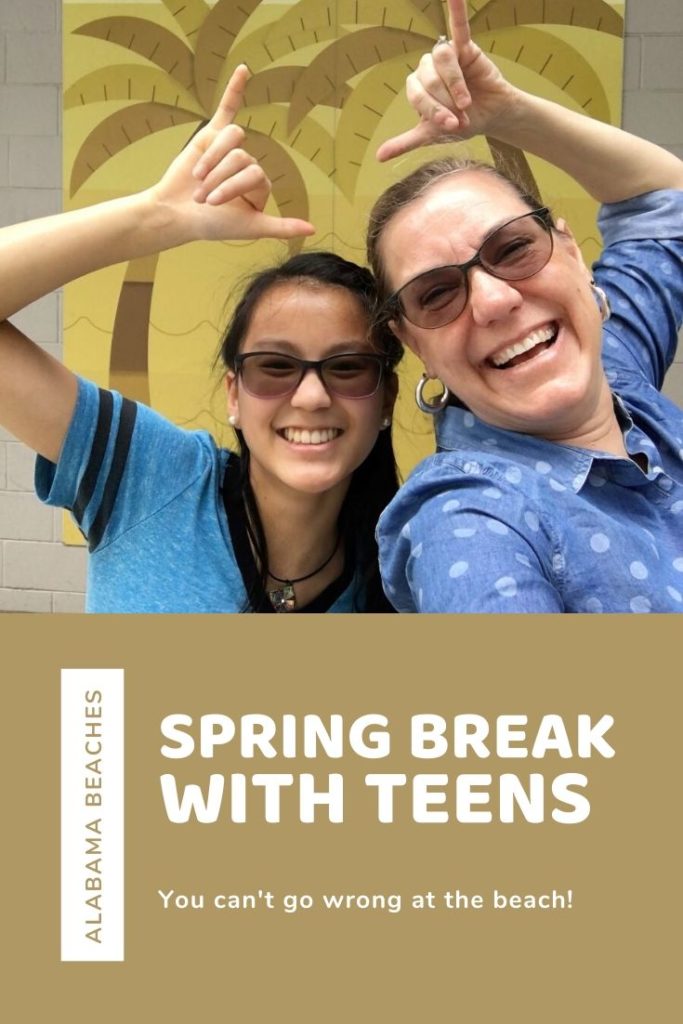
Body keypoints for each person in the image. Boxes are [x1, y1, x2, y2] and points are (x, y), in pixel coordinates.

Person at [0, 66, 400, 613]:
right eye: (275, 366)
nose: (311, 397)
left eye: (347, 367)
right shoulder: (153, 476)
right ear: (233, 394)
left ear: (387, 399)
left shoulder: (404, 569)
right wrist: (156, 218)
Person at [367, 0, 683, 613]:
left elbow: (664, 206)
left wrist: (513, 114)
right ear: (414, 344)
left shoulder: (613, 366)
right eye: (437, 294)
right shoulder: (466, 518)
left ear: (570, 251)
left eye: (513, 248)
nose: (493, 300)